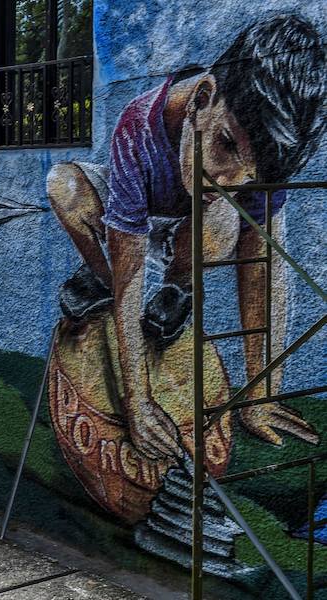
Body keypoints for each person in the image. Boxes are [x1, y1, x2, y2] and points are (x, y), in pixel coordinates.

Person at [46, 14, 326, 461]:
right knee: (64, 185)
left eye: (249, 173)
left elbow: (263, 266)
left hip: (189, 228)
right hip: (131, 222)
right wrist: (137, 403)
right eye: (226, 144)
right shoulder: (140, 123)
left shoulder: (266, 154)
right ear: (202, 97)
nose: (227, 178)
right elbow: (131, 273)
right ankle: (99, 276)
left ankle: (176, 290)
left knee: (226, 221)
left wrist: (260, 393)